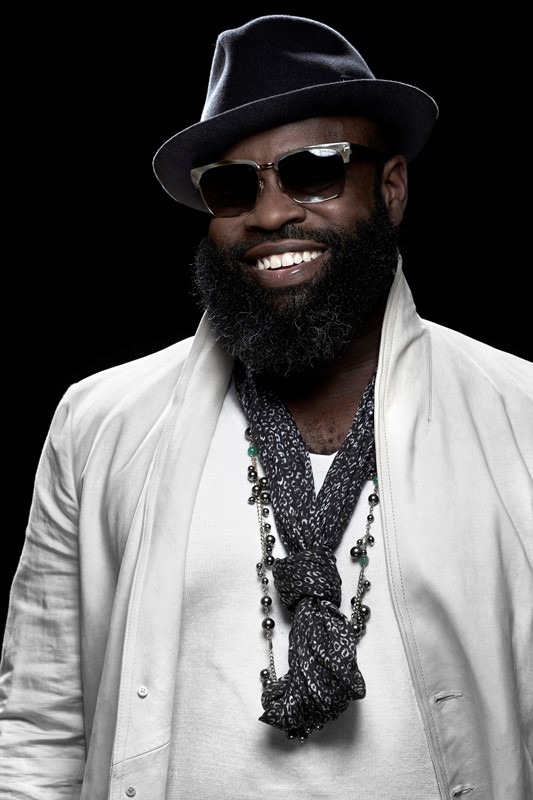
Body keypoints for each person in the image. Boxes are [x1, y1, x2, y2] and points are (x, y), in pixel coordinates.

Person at [1, 13, 531, 800]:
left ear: (390, 188)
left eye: (313, 171)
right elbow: (39, 728)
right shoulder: (99, 421)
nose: (271, 212)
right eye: (232, 185)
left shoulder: (519, 413)